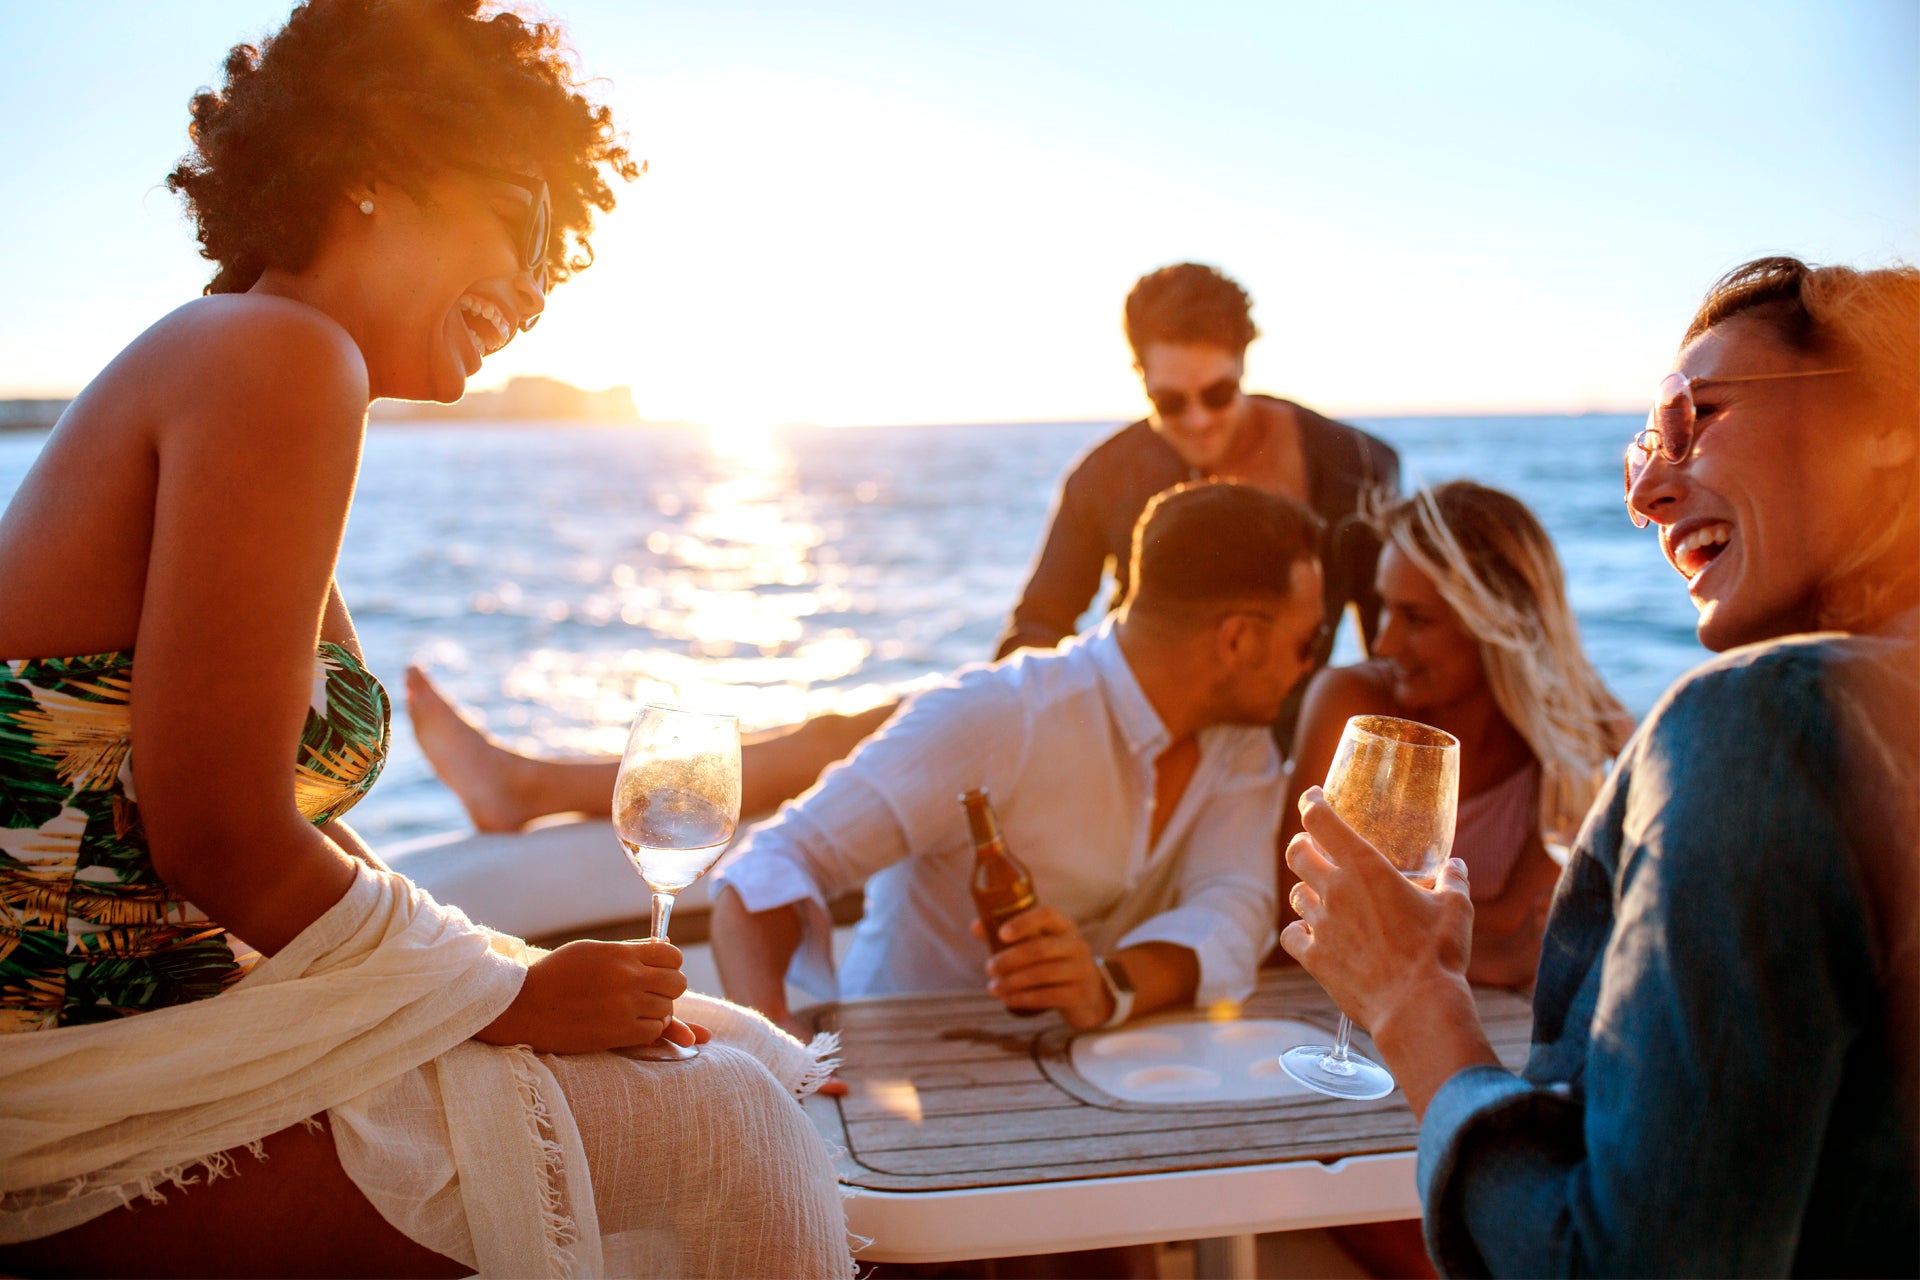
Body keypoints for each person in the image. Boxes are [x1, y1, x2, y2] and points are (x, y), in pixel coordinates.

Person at [0, 4, 847, 1275]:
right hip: (71, 1079)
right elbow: (215, 830)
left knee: (743, 1048)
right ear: (377, 167)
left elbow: (283, 813)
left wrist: (493, 974)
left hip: (157, 1025)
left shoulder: (247, 352)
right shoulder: (276, 357)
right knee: (723, 1123)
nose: (544, 280)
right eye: (531, 219)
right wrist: (503, 991)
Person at [1282, 257, 1919, 1275]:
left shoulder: (1760, 728)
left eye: (1696, 414)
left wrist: (1413, 1000)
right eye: (1640, 449)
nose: (1649, 492)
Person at [710, 482, 1327, 1037]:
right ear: (1238, 639)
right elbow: (771, 863)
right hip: (901, 1061)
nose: (1311, 667)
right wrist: (773, 1042)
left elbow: (1232, 905)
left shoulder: (1240, 741)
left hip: (1090, 1065)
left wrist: (1106, 985)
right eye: (1309, 642)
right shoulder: (994, 715)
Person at [995, 262, 1400, 748]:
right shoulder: (1104, 476)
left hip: (1291, 754)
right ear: (1140, 378)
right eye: (1170, 402)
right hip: (1137, 748)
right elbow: (1039, 623)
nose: (1198, 420)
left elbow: (1391, 650)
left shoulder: (1352, 467)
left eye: (1217, 393)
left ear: (1244, 363)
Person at [1280, 481, 1633, 988]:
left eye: (1417, 618)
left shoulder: (1578, 734)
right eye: (1384, 607)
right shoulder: (1352, 707)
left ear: (1494, 621)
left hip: (1493, 1016)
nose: (1383, 641)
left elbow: (1526, 925)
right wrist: (1493, 955)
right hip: (1333, 1010)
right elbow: (1296, 907)